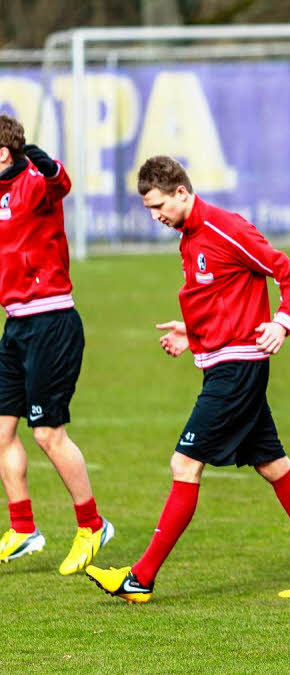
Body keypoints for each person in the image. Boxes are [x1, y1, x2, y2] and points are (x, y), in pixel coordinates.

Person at [85, 156, 290, 603]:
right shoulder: (188, 237)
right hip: (224, 363)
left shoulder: (225, 228)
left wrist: (282, 322)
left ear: (182, 193)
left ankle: (140, 579)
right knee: (273, 464)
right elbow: (222, 296)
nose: (156, 217)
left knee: (184, 464)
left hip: (237, 370)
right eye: (150, 210)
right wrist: (191, 334)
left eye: (159, 207)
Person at [0, 114, 114, 575]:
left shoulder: (36, 182)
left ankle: (92, 525)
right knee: (2, 431)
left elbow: (59, 180)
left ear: (4, 153)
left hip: (52, 321)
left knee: (47, 433)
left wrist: (39, 159)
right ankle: (25, 529)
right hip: (15, 326)